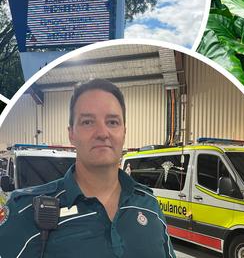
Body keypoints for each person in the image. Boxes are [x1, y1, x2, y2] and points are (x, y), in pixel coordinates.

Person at [0, 79, 176, 258]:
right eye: (87, 122)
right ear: (71, 134)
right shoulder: (25, 211)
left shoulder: (149, 206)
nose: (102, 133)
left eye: (113, 122)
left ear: (124, 132)